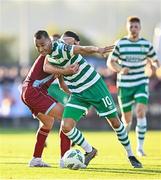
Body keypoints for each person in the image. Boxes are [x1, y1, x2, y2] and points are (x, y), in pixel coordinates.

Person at [35, 30, 143, 168]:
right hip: (78, 93)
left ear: (49, 41)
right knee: (66, 126)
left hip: (95, 87)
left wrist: (99, 49)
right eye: (37, 46)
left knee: (115, 123)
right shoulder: (49, 57)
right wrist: (64, 73)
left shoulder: (62, 48)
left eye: (43, 45)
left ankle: (131, 155)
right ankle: (90, 151)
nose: (40, 49)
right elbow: (48, 68)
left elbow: (82, 49)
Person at [21, 37, 80, 167]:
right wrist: (76, 44)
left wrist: (78, 97)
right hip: (33, 91)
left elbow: (62, 86)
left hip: (30, 92)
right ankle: (64, 160)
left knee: (48, 123)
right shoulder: (49, 54)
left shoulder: (58, 60)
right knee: (66, 117)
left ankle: (36, 159)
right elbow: (66, 39)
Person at [107, 16, 160, 157]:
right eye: (131, 26)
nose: (134, 29)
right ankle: (127, 145)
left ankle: (140, 148)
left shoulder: (146, 44)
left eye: (136, 26)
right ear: (127, 27)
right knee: (127, 120)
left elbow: (155, 61)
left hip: (141, 82)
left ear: (140, 28)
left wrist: (153, 67)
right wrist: (120, 69)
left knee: (141, 111)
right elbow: (110, 62)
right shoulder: (121, 43)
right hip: (124, 84)